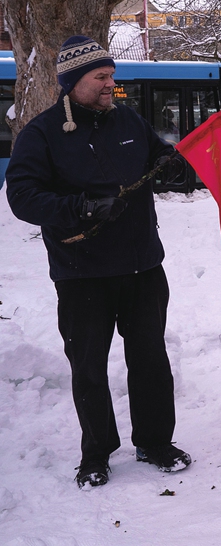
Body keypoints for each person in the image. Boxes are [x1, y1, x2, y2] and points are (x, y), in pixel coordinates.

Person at [6, 35, 191, 488]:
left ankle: (154, 441)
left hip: (143, 267)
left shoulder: (127, 118)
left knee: (149, 358)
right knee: (88, 365)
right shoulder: (42, 133)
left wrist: (174, 165)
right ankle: (97, 453)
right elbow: (23, 197)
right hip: (81, 271)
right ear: (73, 83)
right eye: (101, 77)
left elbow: (161, 159)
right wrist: (81, 208)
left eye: (112, 75)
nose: (112, 84)